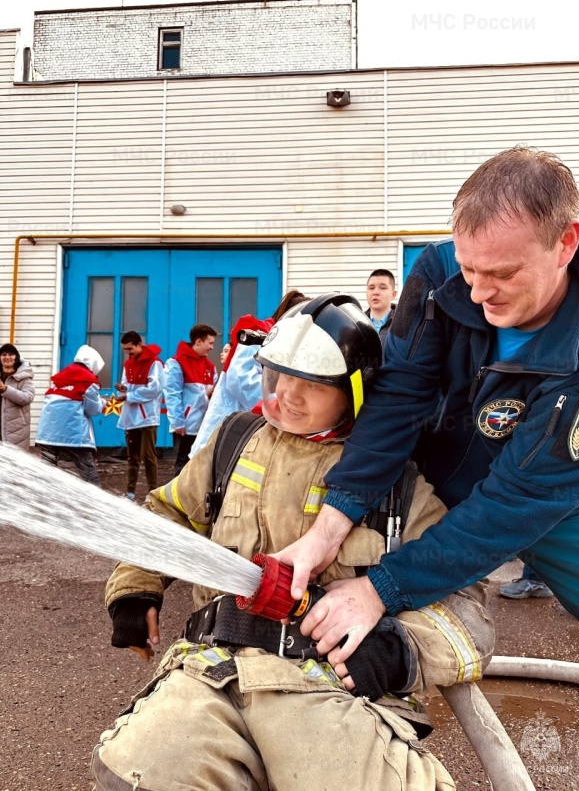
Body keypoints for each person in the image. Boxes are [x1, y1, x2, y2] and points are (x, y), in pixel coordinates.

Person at [92, 294, 493, 791]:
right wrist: (135, 587)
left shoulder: (400, 481)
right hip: (214, 675)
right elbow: (166, 513)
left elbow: (468, 611)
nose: (285, 395)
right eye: (277, 376)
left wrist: (399, 651)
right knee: (138, 773)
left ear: (356, 391)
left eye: (310, 384)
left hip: (333, 691)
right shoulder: (232, 443)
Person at [272, 146, 579, 660]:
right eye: (472, 269)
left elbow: (515, 504)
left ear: (565, 243)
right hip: (425, 471)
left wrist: (381, 588)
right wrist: (328, 528)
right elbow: (399, 395)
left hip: (539, 504)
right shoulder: (440, 270)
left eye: (503, 274)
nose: (477, 294)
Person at [190, 289, 308, 456]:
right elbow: (240, 380)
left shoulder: (272, 338)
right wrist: (277, 403)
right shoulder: (258, 335)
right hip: (226, 430)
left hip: (237, 430)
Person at [35, 345, 106, 485]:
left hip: (47, 434)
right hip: (73, 435)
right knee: (88, 474)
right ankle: (94, 500)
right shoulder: (88, 380)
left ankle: (44, 500)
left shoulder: (62, 376)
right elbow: (92, 409)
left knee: (46, 474)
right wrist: (103, 402)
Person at [115, 331, 164, 500]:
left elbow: (155, 389)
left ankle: (152, 493)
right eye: (125, 350)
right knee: (132, 457)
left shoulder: (154, 363)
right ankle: (130, 492)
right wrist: (124, 388)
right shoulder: (129, 364)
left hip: (148, 416)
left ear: (138, 344)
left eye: (129, 349)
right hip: (132, 415)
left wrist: (129, 395)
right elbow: (129, 385)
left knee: (149, 457)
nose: (127, 353)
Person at [164, 324, 218, 475]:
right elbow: (172, 394)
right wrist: (178, 422)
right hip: (185, 427)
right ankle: (176, 498)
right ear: (199, 341)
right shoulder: (176, 363)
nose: (212, 347)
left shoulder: (210, 366)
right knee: (183, 467)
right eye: (210, 343)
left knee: (201, 468)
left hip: (204, 426)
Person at [0, 343, 35, 450]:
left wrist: (6, 389)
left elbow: (28, 397)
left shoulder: (24, 377)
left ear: (16, 357)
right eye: (4, 354)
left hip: (16, 430)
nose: (7, 357)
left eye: (11, 354)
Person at [365, 268, 397, 344]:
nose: (375, 292)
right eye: (371, 288)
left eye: (383, 288)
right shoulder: (358, 324)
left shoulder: (403, 323)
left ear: (393, 294)